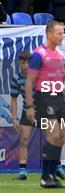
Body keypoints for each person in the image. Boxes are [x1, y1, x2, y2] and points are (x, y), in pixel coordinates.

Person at [24, 21, 65, 188]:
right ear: (49, 34)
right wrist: (30, 106)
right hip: (44, 98)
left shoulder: (59, 54)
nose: (62, 36)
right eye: (59, 33)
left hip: (59, 98)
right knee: (53, 135)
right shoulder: (38, 55)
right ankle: (45, 177)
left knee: (61, 137)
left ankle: (52, 175)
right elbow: (29, 82)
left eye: (63, 33)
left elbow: (59, 74)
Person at [10, 51, 33, 180]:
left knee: (52, 140)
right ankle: (23, 171)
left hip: (44, 110)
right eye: (23, 62)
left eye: (28, 62)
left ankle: (57, 168)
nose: (26, 65)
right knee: (23, 139)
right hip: (27, 111)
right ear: (19, 63)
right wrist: (14, 118)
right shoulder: (16, 79)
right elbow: (13, 99)